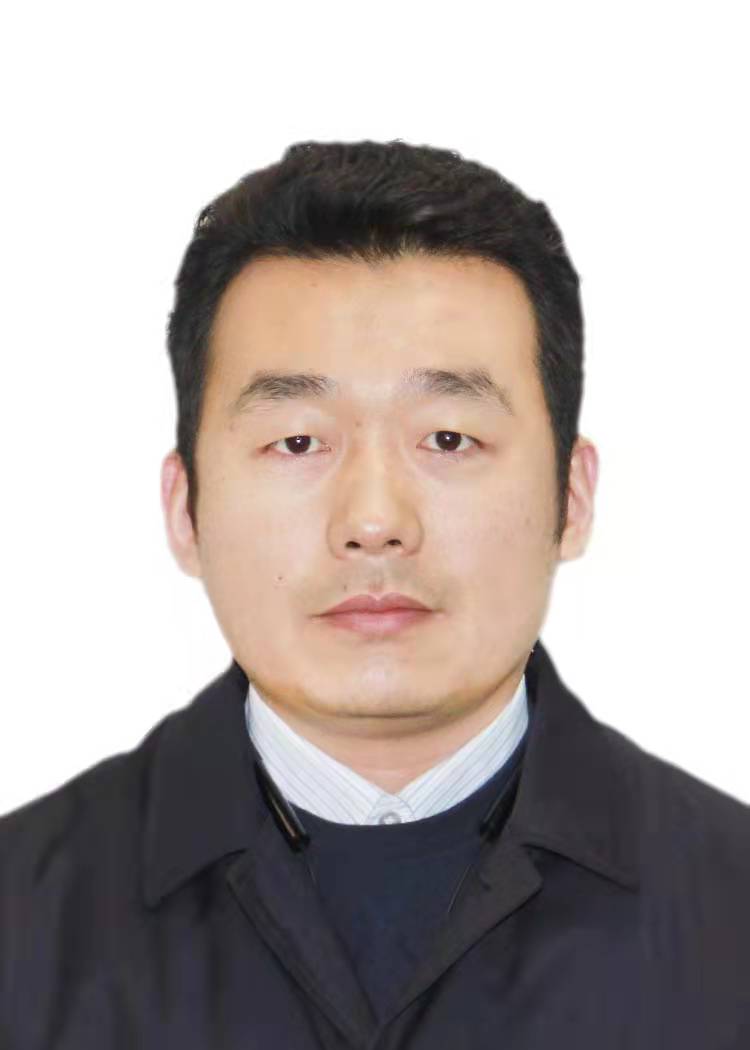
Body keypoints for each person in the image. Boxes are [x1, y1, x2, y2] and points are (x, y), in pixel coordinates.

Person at [1, 139, 748, 1050]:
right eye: (298, 442)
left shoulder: (731, 914)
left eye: (448, 439)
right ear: (185, 509)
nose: (374, 521)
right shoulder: (22, 922)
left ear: (573, 497)